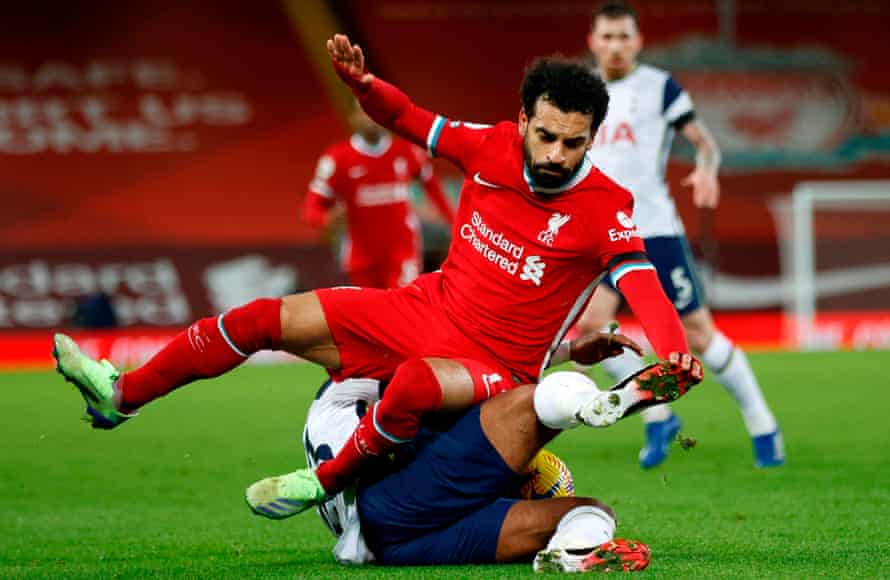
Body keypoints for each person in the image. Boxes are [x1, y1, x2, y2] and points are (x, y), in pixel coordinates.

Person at [51, 33, 702, 518]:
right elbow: (410, 120)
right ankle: (121, 397)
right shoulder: (489, 144)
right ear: (525, 118)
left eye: (575, 142)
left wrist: (673, 353)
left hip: (499, 364)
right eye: (548, 136)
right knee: (259, 320)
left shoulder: (607, 206)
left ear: (593, 138)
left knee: (416, 387)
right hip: (425, 307)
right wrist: (364, 88)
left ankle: (324, 483)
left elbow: (644, 289)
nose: (557, 154)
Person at [249, 340, 701, 569]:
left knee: (590, 513)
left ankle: (571, 555)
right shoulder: (377, 382)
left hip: (393, 543)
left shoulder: (351, 391)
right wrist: (563, 353)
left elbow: (462, 366)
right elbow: (481, 363)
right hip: (394, 504)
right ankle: (600, 404)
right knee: (528, 401)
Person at [575, 1, 783, 469]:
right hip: (603, 235)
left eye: (623, 36)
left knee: (699, 335)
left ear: (638, 41)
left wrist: (707, 169)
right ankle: (659, 415)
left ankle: (762, 421)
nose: (615, 45)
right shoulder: (582, 92)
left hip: (655, 232)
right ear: (592, 42)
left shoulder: (659, 87)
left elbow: (704, 142)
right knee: (589, 330)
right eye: (606, 36)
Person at [303, 102, 454, 289]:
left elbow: (433, 186)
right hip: (362, 258)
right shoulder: (337, 159)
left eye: (375, 111)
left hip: (402, 252)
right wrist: (327, 220)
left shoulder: (407, 151)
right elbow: (311, 209)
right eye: (364, 113)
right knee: (369, 313)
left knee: (401, 307)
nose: (371, 118)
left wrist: (453, 223)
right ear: (354, 119)